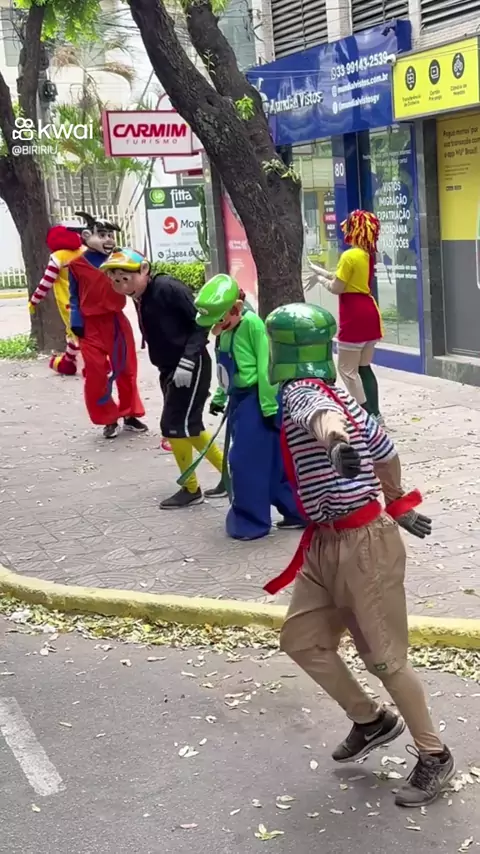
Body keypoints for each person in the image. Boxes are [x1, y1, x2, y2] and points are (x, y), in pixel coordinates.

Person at [263, 301, 454, 808]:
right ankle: (371, 721)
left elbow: (319, 418)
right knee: (302, 640)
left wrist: (335, 444)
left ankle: (435, 755)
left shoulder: (304, 392)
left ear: (279, 348)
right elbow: (385, 448)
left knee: (385, 659)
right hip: (326, 542)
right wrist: (396, 498)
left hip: (363, 545)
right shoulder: (337, 392)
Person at [99, 249, 224, 508]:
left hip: (190, 365)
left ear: (144, 270)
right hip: (168, 367)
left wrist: (188, 360)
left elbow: (201, 322)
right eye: (115, 280)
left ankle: (196, 487)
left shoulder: (168, 288)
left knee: (175, 425)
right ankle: (225, 476)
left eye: (125, 278)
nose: (121, 286)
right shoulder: (140, 295)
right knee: (185, 426)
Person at [194, 275, 304, 540]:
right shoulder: (226, 330)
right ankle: (297, 511)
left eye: (219, 320)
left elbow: (266, 367)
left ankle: (250, 520)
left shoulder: (253, 325)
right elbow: (225, 369)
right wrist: (220, 396)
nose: (215, 327)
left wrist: (268, 407)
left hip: (258, 400)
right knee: (272, 463)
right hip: (239, 399)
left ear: (236, 308)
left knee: (245, 462)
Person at [68, 214, 147, 440]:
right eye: (102, 235)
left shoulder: (119, 261)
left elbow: (137, 284)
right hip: (90, 325)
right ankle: (107, 418)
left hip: (116, 322)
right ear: (86, 236)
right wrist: (76, 319)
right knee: (96, 374)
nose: (109, 240)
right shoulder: (75, 265)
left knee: (127, 369)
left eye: (111, 235)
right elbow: (74, 295)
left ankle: (130, 414)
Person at [307, 209, 383, 421]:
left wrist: (320, 280)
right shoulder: (367, 255)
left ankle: (364, 414)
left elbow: (337, 287)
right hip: (370, 313)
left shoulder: (349, 255)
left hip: (353, 316)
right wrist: (320, 271)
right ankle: (376, 413)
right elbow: (345, 279)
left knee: (347, 370)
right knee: (364, 368)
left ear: (354, 229)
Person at [29, 224, 85, 375]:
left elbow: (46, 282)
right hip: (89, 297)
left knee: (75, 332)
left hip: (69, 301)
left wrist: (34, 300)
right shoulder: (84, 252)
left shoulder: (58, 257)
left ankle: (82, 363)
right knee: (89, 331)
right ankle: (70, 361)